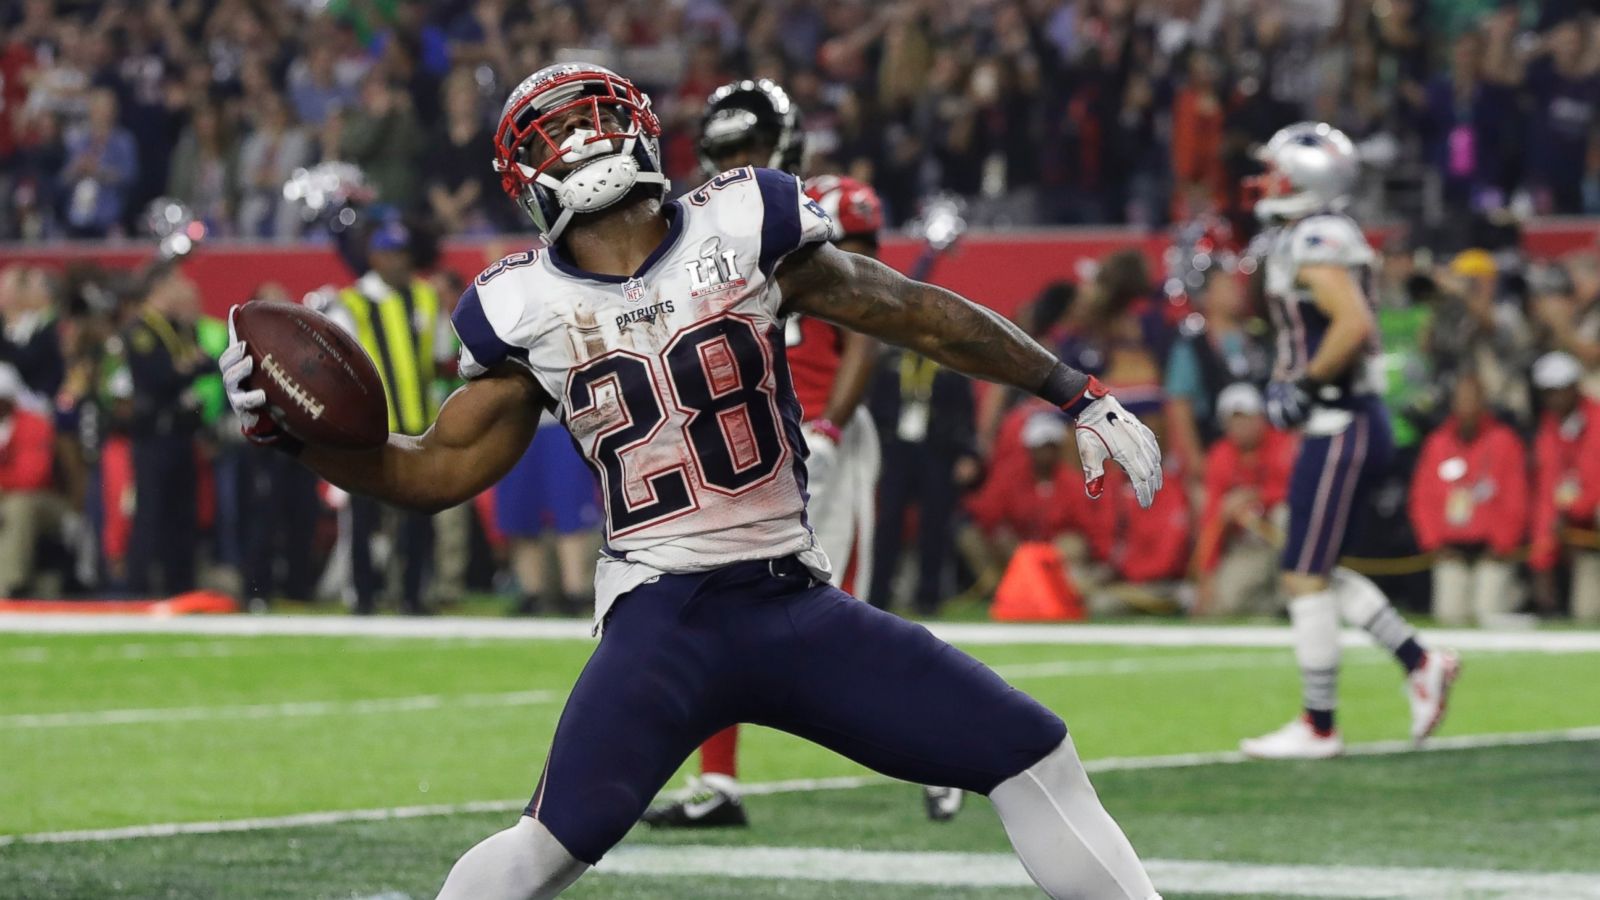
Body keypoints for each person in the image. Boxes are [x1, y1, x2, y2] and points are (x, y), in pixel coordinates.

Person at [220, 63, 1164, 900]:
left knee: (1031, 752)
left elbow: (429, 469)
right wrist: (292, 439)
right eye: (568, 133)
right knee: (544, 850)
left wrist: (1072, 389)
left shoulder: (637, 259)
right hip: (676, 616)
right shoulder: (584, 283)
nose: (584, 147)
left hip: (765, 605)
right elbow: (435, 469)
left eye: (583, 124)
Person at [643, 77, 898, 829]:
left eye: (747, 148)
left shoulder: (828, 205)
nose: (735, 163)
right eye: (722, 151)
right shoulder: (699, 228)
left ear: (781, 146)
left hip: (823, 435)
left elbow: (873, 322)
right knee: (716, 600)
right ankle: (717, 784)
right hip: (750, 441)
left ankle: (951, 748)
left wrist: (832, 427)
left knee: (839, 617)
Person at [1241, 122, 1458, 760]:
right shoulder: (1310, 231)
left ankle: (1320, 724)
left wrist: (1305, 384)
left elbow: (1353, 323)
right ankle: (1421, 661)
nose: (1267, 181)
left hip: (1341, 419)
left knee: (1303, 573)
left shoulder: (1316, 234)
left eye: (1279, 170)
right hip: (1341, 421)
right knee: (1313, 568)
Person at [327, 219, 449, 615]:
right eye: (392, 254)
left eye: (404, 254)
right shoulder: (351, 303)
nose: (400, 262)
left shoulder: (426, 297)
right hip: (369, 429)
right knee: (364, 518)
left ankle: (414, 595)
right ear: (374, 256)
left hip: (419, 427)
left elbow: (442, 355)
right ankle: (363, 596)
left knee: (418, 519)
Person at [1408, 373, 1529, 626]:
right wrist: (1434, 543)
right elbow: (1422, 498)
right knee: (1448, 616)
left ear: (1484, 403)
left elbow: (1516, 498)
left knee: (1489, 614)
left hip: (1491, 552)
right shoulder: (1438, 443)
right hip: (1449, 550)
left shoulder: (1504, 441)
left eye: (1473, 400)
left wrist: (1502, 544)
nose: (1467, 407)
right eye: (1461, 401)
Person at [123, 265, 206, 595]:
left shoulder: (179, 328)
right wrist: (188, 368)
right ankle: (137, 589)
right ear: (160, 290)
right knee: (151, 513)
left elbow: (199, 364)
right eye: (178, 288)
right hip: (153, 436)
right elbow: (159, 377)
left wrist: (187, 368)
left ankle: (180, 587)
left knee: (182, 516)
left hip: (181, 434)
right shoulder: (141, 330)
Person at [1191, 383, 1295, 618]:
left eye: (1246, 418)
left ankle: (1291, 599)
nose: (1241, 426)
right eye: (1234, 420)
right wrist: (1206, 575)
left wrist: (1256, 497)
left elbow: (1296, 492)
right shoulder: (1220, 456)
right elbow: (1212, 520)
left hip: (1283, 538)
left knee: (1285, 515)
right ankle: (1272, 609)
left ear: (1261, 417)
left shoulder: (1283, 443)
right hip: (1249, 545)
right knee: (1224, 603)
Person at [1527, 351, 1600, 623]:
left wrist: (1572, 512)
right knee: (1586, 615)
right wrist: (1541, 561)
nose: (1554, 399)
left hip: (1588, 520)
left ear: (1574, 387)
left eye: (1559, 390)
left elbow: (1595, 482)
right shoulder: (1549, 432)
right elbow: (1547, 498)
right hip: (1583, 539)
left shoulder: (1597, 421)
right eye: (1547, 392)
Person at [0, 363, 61, 597]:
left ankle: (7, 587)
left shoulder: (33, 424)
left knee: (18, 509)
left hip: (43, 502)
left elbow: (32, 477)